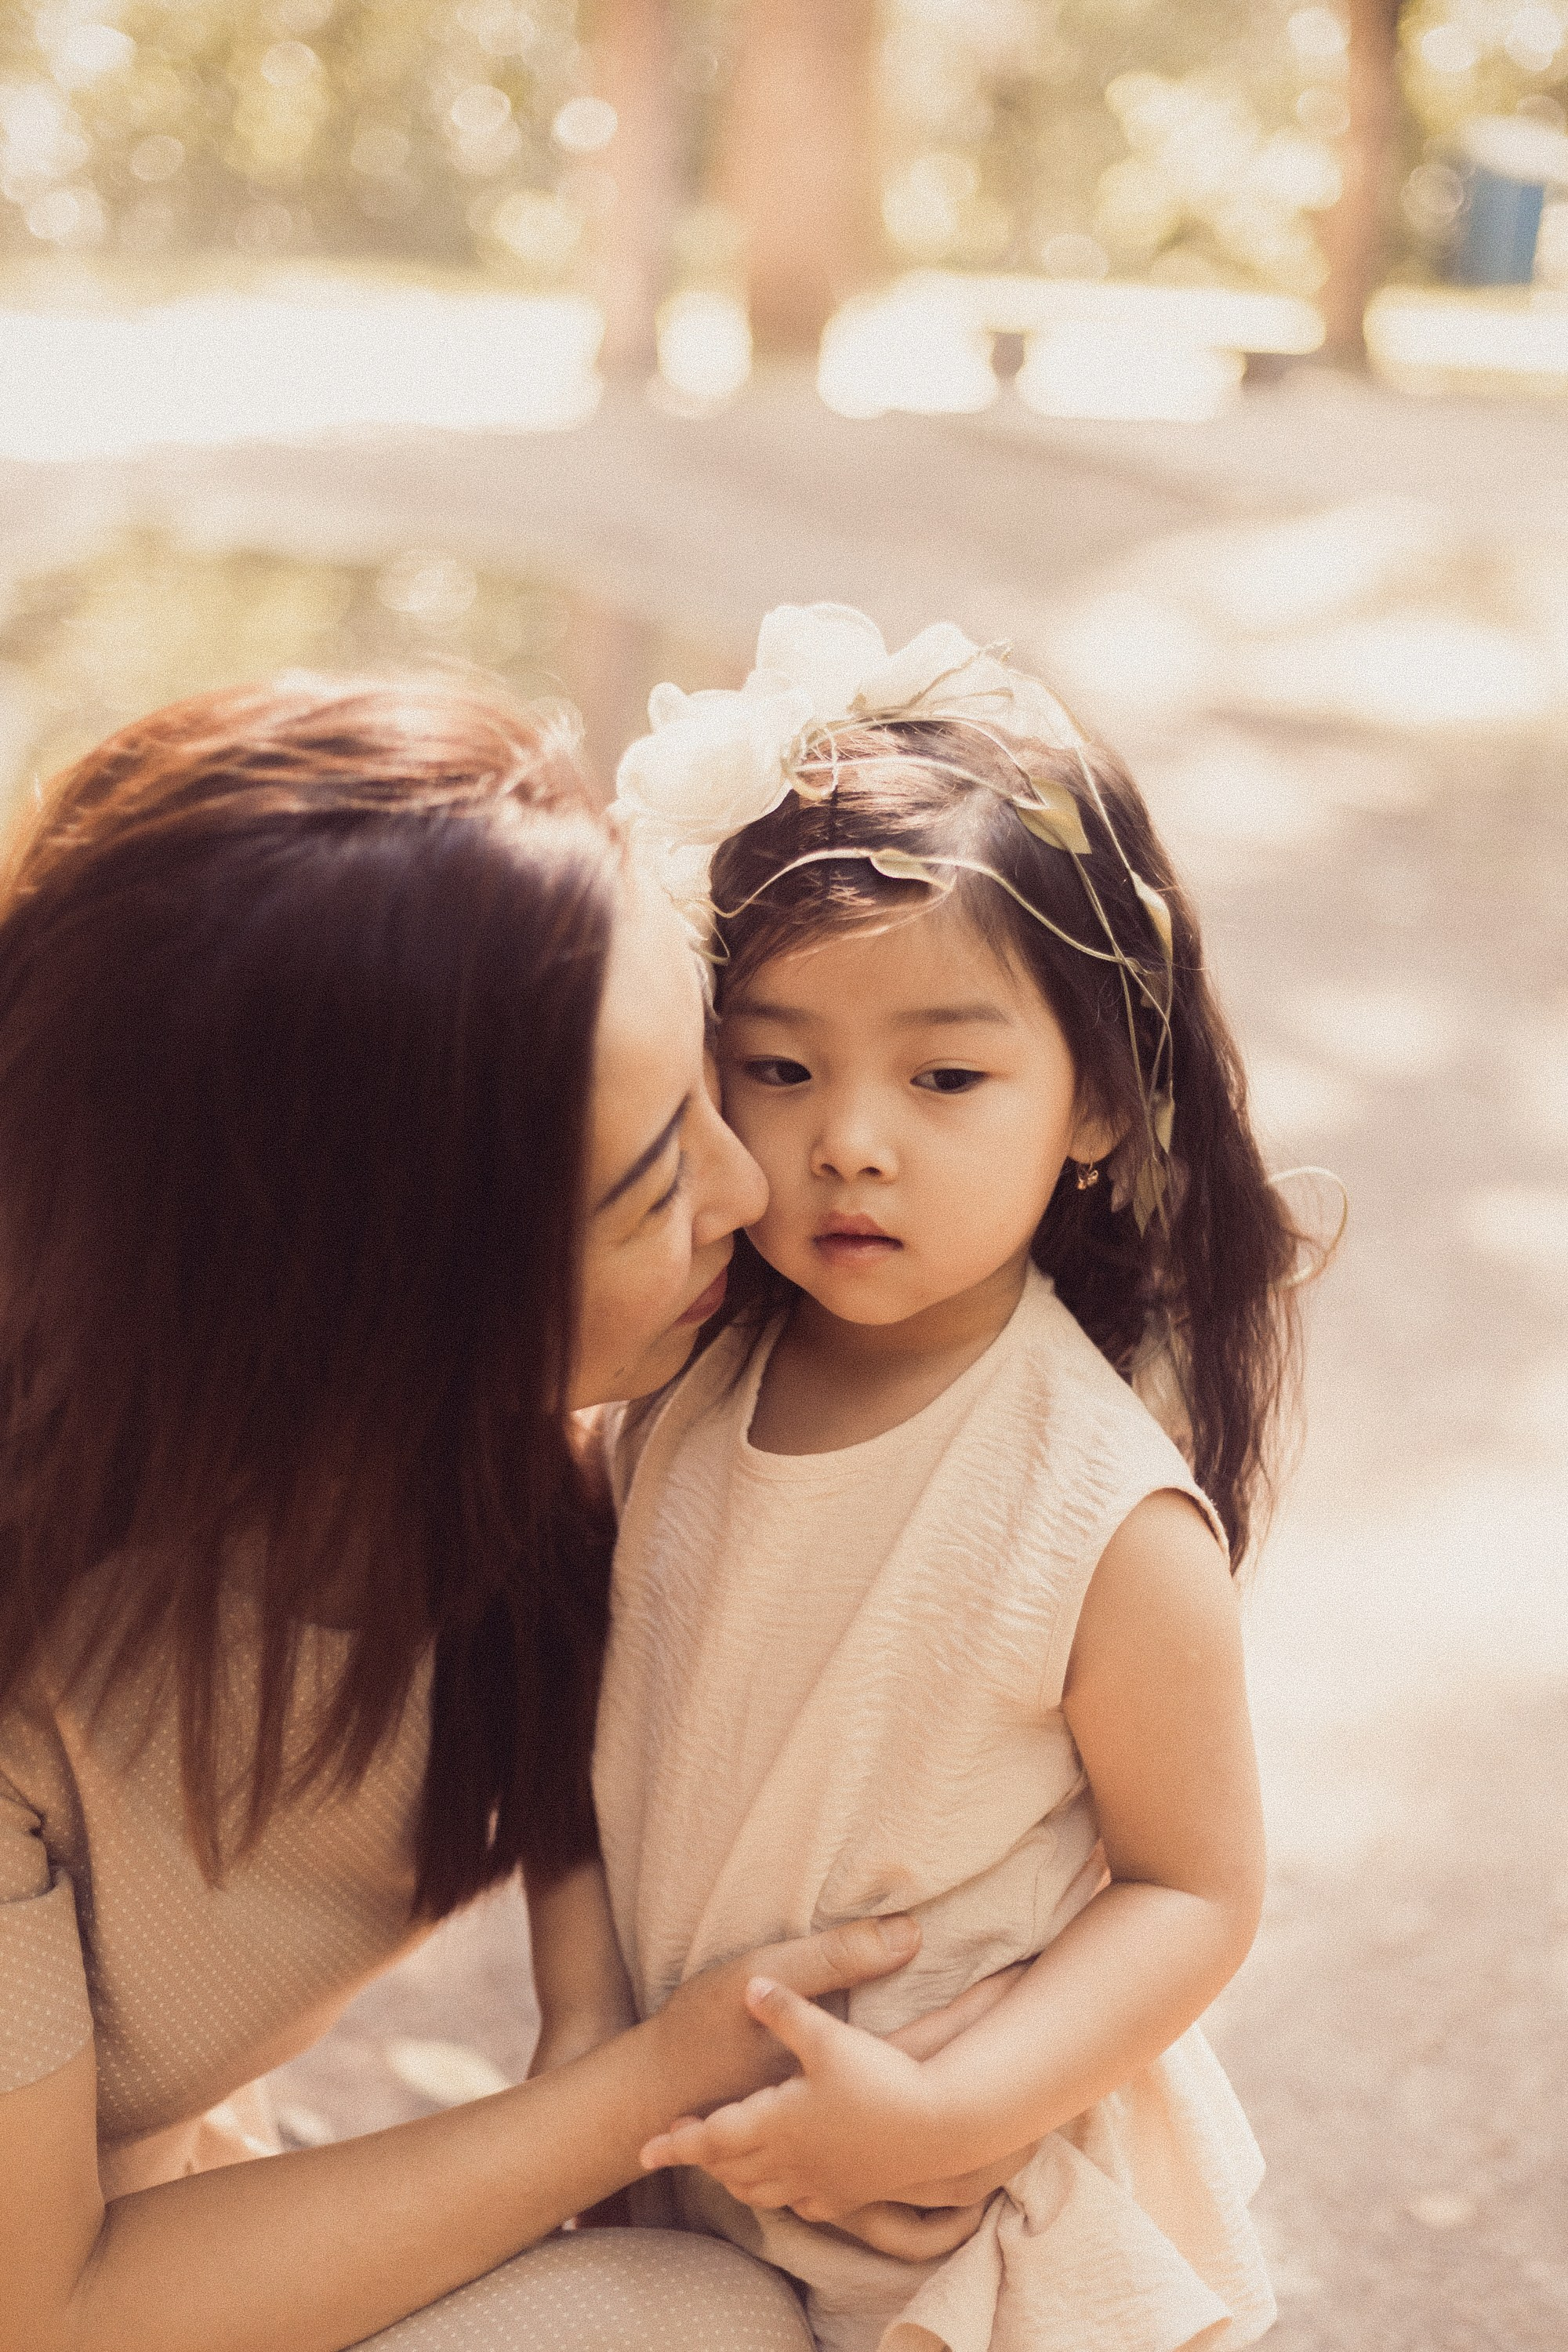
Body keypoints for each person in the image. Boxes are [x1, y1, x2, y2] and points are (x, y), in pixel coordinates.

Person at [0, 673, 999, 2352]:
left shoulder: (508, 1457)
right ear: (379, 1293)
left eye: (710, 1086)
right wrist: (640, 2095)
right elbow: (42, 2309)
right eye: (651, 1183)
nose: (752, 1193)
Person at [553, 605, 1308, 2352]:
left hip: (968, 2226)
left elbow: (1193, 1885)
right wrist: (577, 2022)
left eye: (947, 1074)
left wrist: (950, 2115)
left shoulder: (1096, 1512)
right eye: (778, 1067)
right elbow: (571, 1737)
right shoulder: (672, 1390)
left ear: (1099, 1107)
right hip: (691, 2166)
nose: (852, 1138)